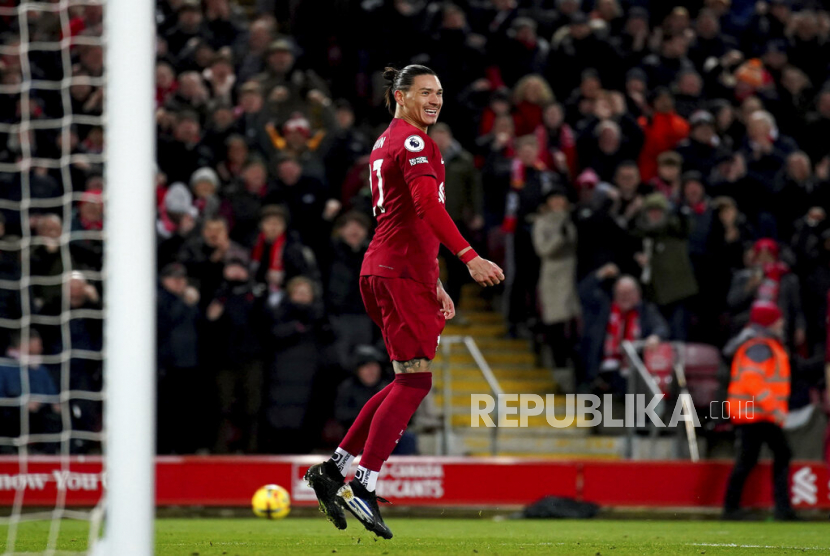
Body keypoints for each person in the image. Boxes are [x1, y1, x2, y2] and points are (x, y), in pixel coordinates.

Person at [304, 65, 503, 539]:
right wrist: (468, 256)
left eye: (439, 93)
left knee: (405, 380)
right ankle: (364, 482)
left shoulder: (387, 140)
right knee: (415, 383)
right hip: (398, 272)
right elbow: (426, 207)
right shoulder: (414, 142)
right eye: (425, 92)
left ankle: (334, 469)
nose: (435, 100)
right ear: (400, 95)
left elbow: (404, 218)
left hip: (390, 268)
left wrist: (433, 280)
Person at [722, 301, 796, 521]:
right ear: (769, 322)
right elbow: (751, 380)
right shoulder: (760, 346)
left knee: (754, 458)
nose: (781, 323)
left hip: (755, 413)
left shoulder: (761, 344)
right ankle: (779, 509)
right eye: (777, 319)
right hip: (754, 413)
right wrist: (774, 408)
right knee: (775, 455)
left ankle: (734, 508)